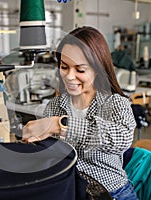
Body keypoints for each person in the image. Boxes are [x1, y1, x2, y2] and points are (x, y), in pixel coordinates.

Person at [22, 26, 138, 199]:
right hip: (71, 191)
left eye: (80, 70)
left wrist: (59, 125)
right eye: (64, 67)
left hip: (113, 194)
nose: (69, 76)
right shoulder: (55, 106)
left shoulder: (115, 103)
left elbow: (122, 138)